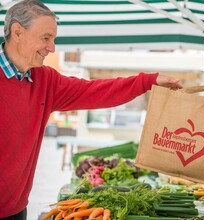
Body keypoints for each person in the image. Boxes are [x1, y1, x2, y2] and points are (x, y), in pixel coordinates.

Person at [0, 0, 182, 219]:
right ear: (17, 32)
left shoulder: (44, 81)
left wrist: (147, 82)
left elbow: (97, 91)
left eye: (53, 39)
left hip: (17, 210)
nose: (52, 48)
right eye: (46, 38)